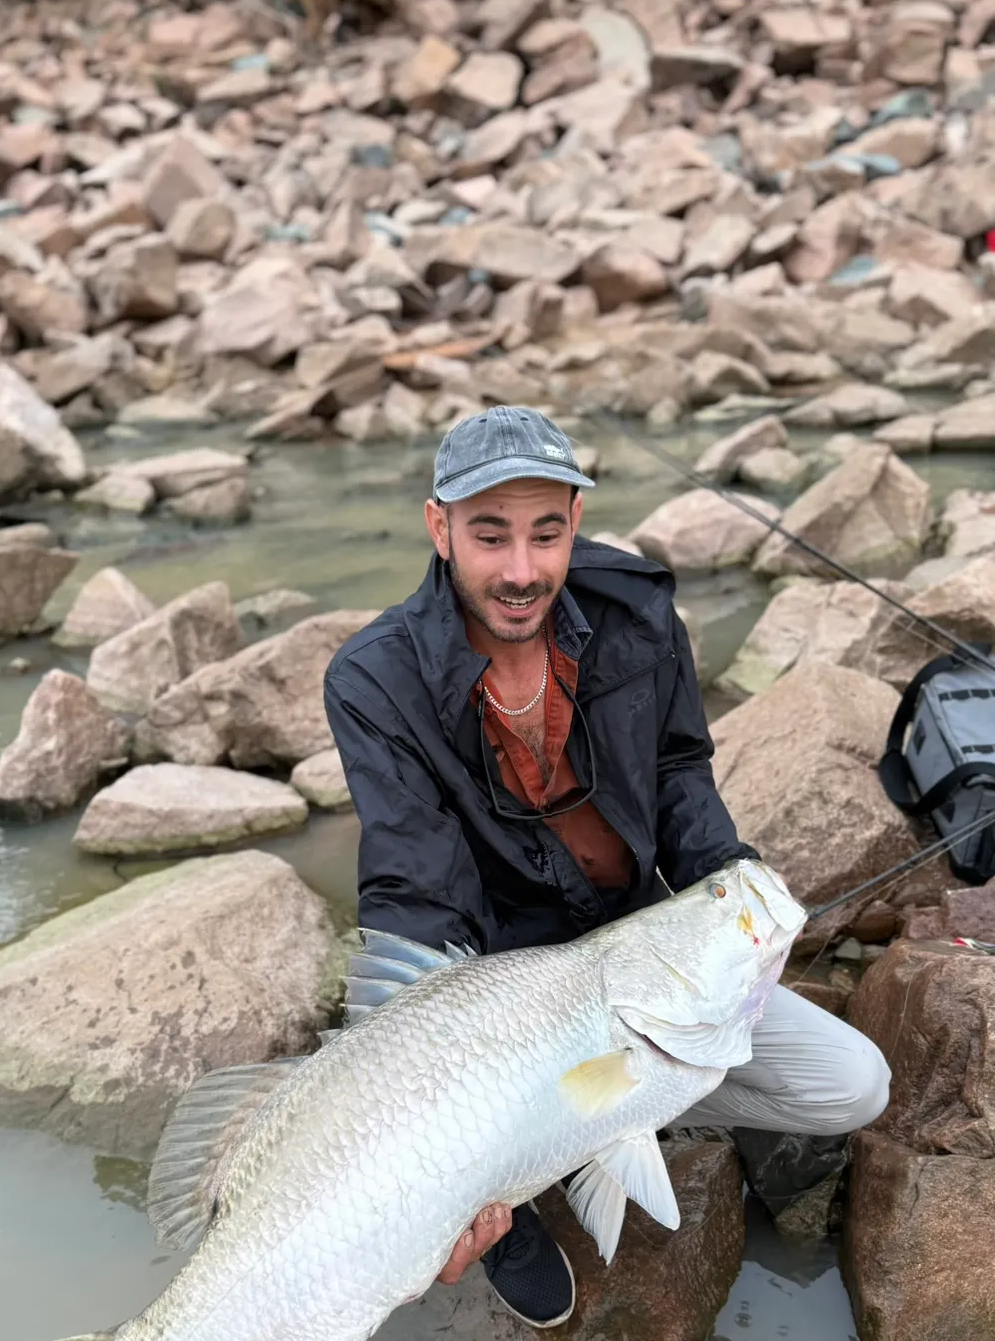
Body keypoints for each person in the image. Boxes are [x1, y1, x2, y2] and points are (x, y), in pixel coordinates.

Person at [324, 405, 890, 1329]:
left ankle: (602, 1111)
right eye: (490, 536)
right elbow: (413, 885)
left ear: (576, 524)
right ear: (439, 528)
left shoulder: (638, 614)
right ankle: (505, 1193)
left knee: (854, 1084)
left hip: (637, 956)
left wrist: (728, 880)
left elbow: (678, 768)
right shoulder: (372, 679)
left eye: (546, 534)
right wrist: (424, 1080)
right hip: (501, 989)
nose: (521, 570)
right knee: (443, 1156)